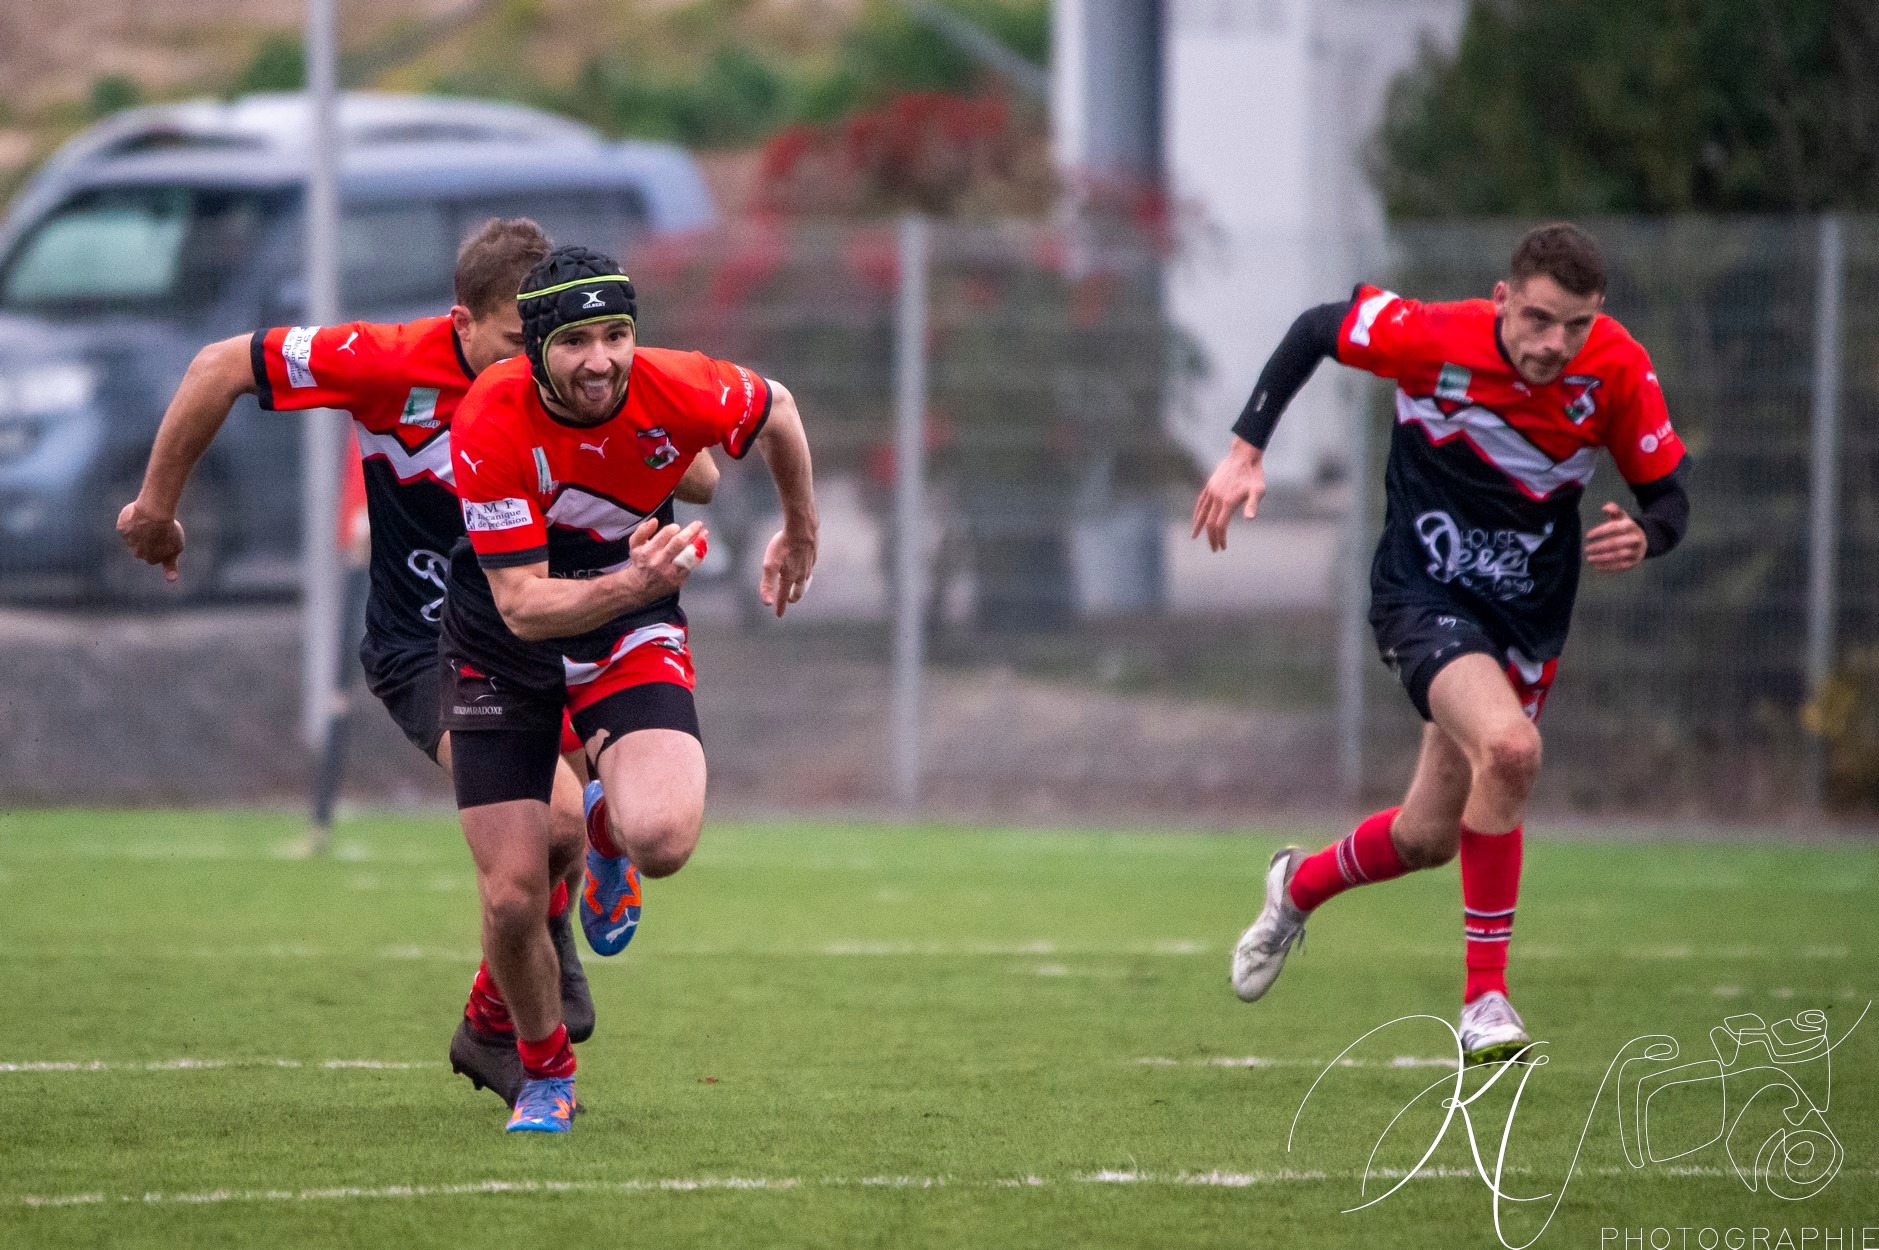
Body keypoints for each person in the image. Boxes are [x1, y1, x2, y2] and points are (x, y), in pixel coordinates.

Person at [115, 218, 720, 1106]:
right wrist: (158, 509)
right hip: (429, 646)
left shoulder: (577, 367)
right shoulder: (388, 360)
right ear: (461, 325)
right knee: (548, 826)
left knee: (633, 818)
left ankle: (490, 1016)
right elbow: (218, 365)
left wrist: (646, 429)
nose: (539, 360)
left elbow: (697, 471)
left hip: (555, 633)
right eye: (519, 343)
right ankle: (533, 988)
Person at [1191, 223, 1690, 1064]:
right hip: (1421, 592)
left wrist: (1646, 537)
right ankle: (1483, 1001)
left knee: (1428, 835)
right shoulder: (1431, 336)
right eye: (1536, 319)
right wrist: (1244, 451)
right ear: (1502, 299)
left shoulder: (1615, 368)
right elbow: (1319, 326)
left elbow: (1669, 499)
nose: (1553, 343)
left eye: (1574, 325)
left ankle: (1295, 886)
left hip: (1526, 615)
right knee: (1511, 748)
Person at [441, 243, 817, 1132]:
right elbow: (526, 607)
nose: (602, 359)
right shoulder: (490, 418)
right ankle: (545, 1076)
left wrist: (800, 528)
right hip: (504, 641)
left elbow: (780, 411)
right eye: (577, 341)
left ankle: (607, 825)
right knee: (510, 895)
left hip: (626, 630)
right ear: (533, 350)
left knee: (663, 841)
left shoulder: (675, 383)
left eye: (617, 335)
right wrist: (636, 584)